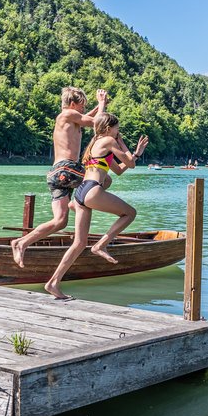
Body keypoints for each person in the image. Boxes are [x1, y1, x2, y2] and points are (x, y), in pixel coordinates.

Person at [44, 112, 148, 300]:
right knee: (130, 213)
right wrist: (128, 147)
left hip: (81, 192)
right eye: (117, 128)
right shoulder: (109, 140)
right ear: (109, 128)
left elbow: (120, 169)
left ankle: (53, 283)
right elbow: (131, 164)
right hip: (92, 190)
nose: (118, 131)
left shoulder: (95, 143)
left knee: (79, 243)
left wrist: (133, 154)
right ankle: (100, 245)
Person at [11, 87, 108, 267]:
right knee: (104, 179)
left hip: (57, 173)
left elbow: (86, 118)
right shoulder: (66, 115)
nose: (83, 110)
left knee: (60, 221)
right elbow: (98, 124)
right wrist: (101, 104)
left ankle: (21, 243)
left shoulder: (72, 118)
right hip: (68, 168)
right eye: (82, 106)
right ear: (72, 104)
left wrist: (98, 106)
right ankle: (77, 203)